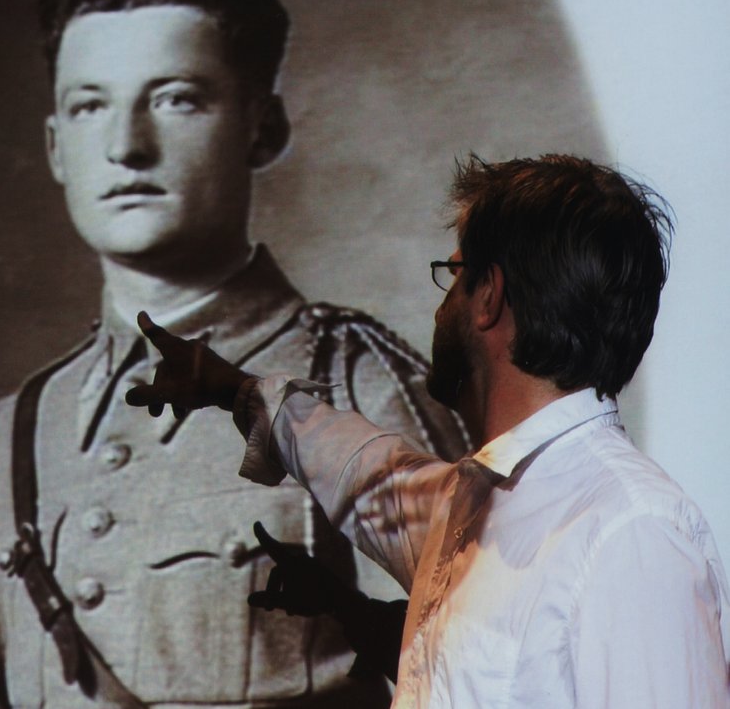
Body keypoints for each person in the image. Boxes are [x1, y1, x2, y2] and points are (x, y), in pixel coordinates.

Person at [0, 0, 467, 709]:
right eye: (89, 107)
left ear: (263, 126)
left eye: (177, 98)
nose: (126, 144)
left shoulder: (351, 387)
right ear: (55, 148)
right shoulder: (20, 428)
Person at [128, 154, 730, 708]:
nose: (440, 308)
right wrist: (234, 389)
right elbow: (367, 474)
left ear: (488, 296)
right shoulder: (478, 502)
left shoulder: (631, 533)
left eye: (454, 275)